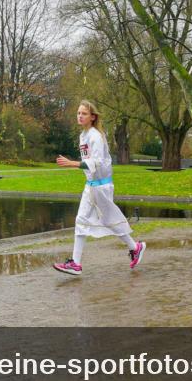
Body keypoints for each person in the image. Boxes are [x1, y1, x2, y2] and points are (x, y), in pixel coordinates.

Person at [52, 101, 146, 275]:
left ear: (92, 117)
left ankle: (135, 247)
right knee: (81, 220)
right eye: (78, 113)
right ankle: (76, 263)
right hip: (91, 186)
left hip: (101, 187)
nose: (80, 116)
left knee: (110, 221)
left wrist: (72, 163)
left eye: (84, 113)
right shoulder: (83, 135)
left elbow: (96, 163)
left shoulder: (95, 136)